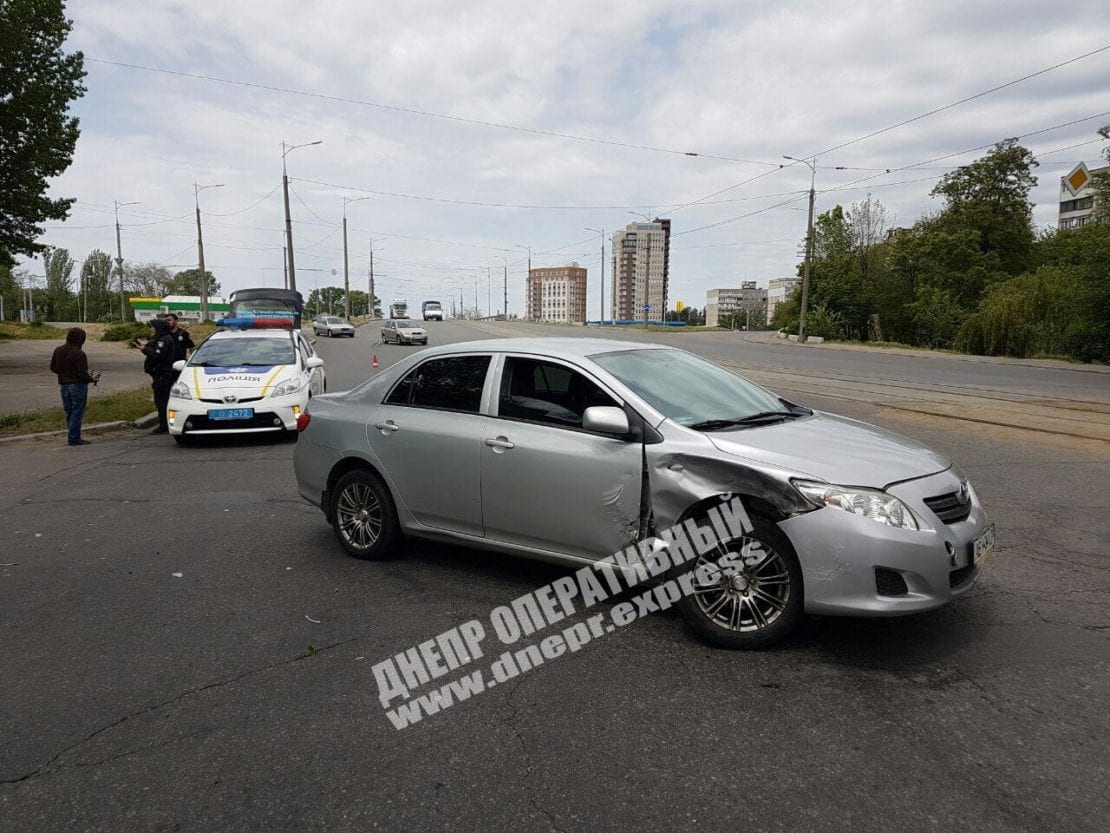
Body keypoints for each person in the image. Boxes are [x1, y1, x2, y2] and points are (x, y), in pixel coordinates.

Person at [49, 328, 98, 446]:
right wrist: (91, 379)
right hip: (77, 385)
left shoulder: (58, 350)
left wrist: (63, 373)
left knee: (70, 412)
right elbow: (82, 374)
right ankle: (74, 438)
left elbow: (53, 367)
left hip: (64, 386)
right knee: (77, 412)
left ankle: (72, 435)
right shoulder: (79, 353)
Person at [138, 319, 176, 435]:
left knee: (162, 401)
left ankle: (164, 425)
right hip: (159, 375)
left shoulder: (164, 340)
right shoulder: (161, 339)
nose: (152, 329)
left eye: (153, 327)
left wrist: (145, 350)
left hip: (162, 375)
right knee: (160, 400)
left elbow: (157, 355)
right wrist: (147, 344)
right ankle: (164, 424)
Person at [164, 313, 194, 381]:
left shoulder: (183, 334)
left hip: (180, 366)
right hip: (167, 367)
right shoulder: (164, 334)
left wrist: (191, 361)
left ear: (176, 321)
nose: (167, 322)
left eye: (169, 320)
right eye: (166, 321)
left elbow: (191, 347)